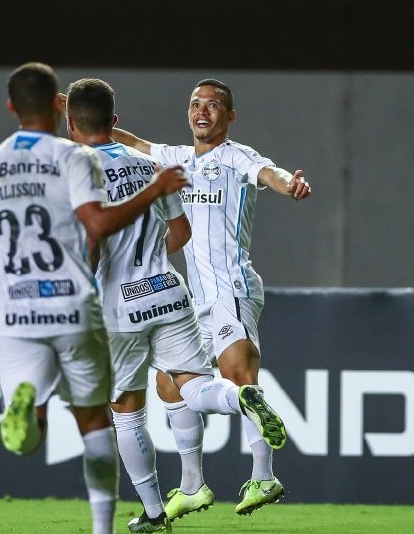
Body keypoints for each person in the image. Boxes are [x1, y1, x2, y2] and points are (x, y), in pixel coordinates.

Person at [0, 63, 188, 534]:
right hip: (73, 301)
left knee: (27, 433)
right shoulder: (74, 159)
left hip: (17, 309)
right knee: (98, 420)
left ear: (12, 106)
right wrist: (155, 190)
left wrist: (5, 267)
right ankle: (103, 529)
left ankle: (30, 403)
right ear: (58, 103)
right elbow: (96, 226)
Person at [65, 79, 284, 532]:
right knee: (186, 386)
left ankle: (152, 514)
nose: (201, 111)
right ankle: (238, 401)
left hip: (123, 302)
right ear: (115, 121)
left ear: (71, 125)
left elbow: (88, 240)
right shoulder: (152, 167)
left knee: (126, 408)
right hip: (171, 290)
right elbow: (179, 233)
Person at [112, 79, 309, 518]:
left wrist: (289, 185)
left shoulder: (236, 157)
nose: (203, 111)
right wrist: (92, 116)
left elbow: (270, 174)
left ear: (230, 116)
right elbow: (136, 143)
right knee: (169, 383)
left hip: (231, 288)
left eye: (214, 105)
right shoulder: (178, 158)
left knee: (238, 371)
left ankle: (263, 476)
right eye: (196, 104)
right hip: (192, 300)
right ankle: (193, 486)